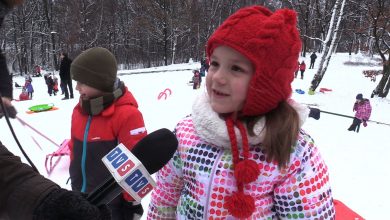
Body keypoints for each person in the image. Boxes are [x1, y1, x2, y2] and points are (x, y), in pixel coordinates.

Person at [147, 6, 335, 219]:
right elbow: (165, 196)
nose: (217, 76)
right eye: (214, 63)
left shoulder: (294, 151)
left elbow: (309, 214)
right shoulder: (187, 132)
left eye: (236, 68)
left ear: (267, 83)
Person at [0, 1, 111, 219]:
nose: (78, 87)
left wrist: (47, 201)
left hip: (107, 195)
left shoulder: (123, 115)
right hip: (84, 186)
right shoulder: (79, 113)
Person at [69, 47, 147, 220]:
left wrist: (131, 203)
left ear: (99, 82)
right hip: (80, 194)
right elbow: (74, 146)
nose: (76, 87)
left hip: (111, 203)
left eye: (82, 82)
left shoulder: (127, 115)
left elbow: (136, 165)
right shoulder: (79, 110)